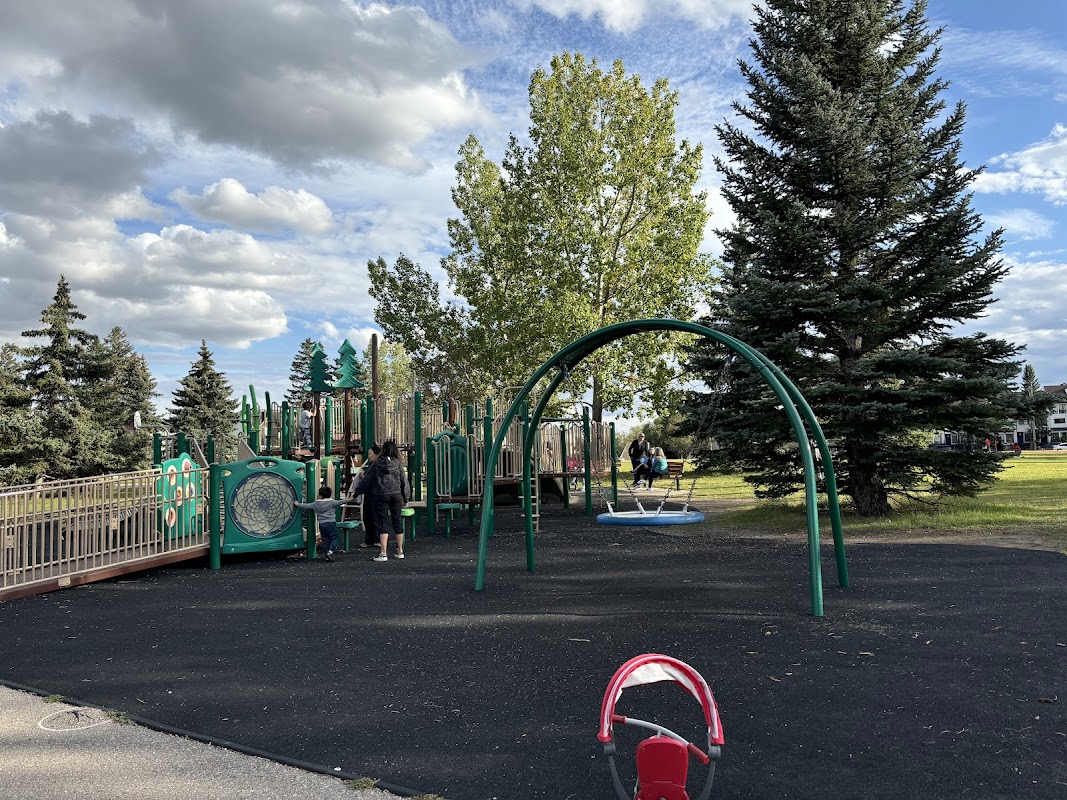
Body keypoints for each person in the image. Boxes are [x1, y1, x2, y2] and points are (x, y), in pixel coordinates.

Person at [351, 439, 410, 562]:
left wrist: (356, 493)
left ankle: (383, 553)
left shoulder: (377, 463)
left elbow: (367, 479)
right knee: (397, 521)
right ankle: (400, 551)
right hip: (396, 494)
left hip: (381, 495)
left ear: (383, 450)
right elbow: (404, 481)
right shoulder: (398, 463)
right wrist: (406, 497)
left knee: (383, 522)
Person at [293, 485, 347, 561]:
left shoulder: (316, 504)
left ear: (320, 495)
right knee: (334, 538)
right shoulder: (332, 502)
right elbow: (341, 502)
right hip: (331, 523)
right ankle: (330, 551)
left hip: (322, 524)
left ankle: (326, 555)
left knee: (325, 539)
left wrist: (297, 504)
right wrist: (350, 499)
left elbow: (306, 506)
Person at [348, 444, 380, 548]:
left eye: (370, 453)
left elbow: (370, 479)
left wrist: (357, 492)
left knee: (373, 516)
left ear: (376, 454)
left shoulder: (376, 464)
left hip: (374, 493)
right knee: (369, 516)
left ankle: (373, 539)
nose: (368, 455)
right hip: (371, 493)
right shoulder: (374, 464)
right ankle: (372, 539)